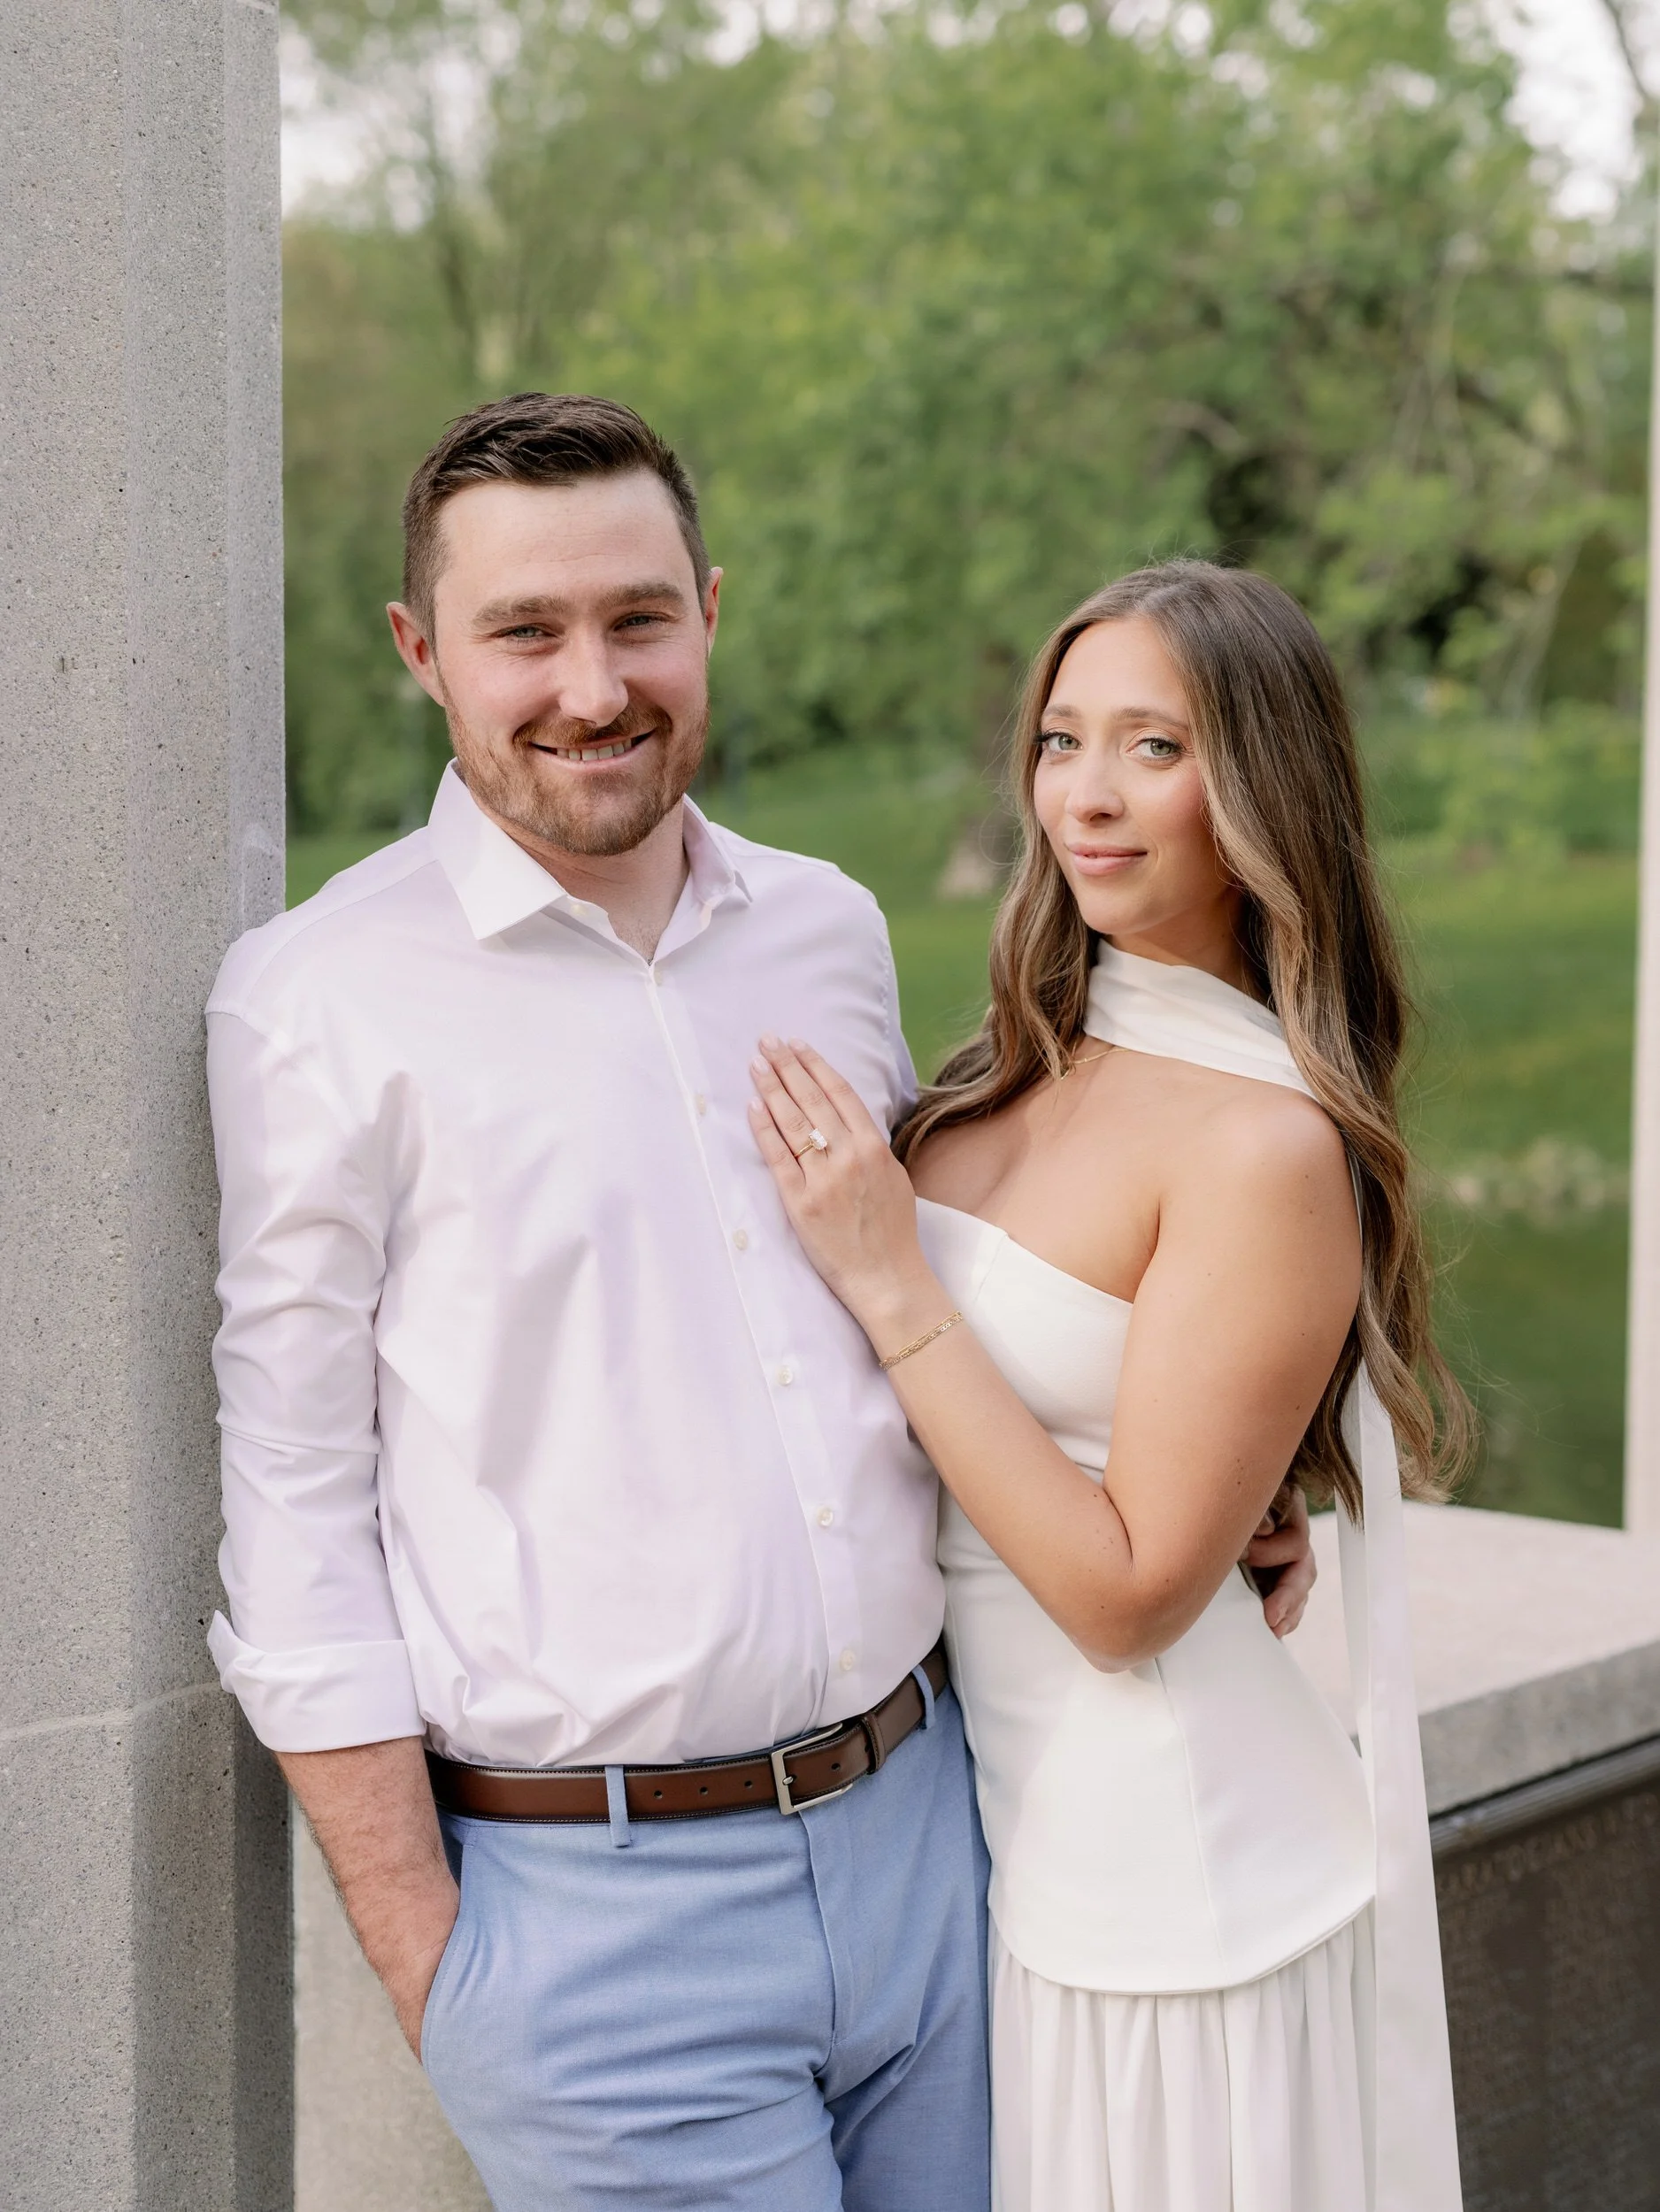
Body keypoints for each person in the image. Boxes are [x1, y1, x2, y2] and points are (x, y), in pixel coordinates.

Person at [204, 394, 1315, 2210]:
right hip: (598, 1929)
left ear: (706, 610)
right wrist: (441, 1965)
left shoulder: (826, 929)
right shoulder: (320, 1000)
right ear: (421, 651)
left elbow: (916, 1313)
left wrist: (1199, 1474)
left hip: (939, 1854)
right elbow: (294, 1505)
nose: (590, 684)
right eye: (523, 632)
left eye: (636, 617)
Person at [748, 559, 1469, 2212]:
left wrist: (891, 1278)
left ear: (1265, 786)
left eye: (1157, 746)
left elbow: (1135, 1595)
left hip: (1174, 1911)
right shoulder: (1003, 1076)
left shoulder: (1265, 1142)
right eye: (1065, 739)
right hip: (980, 1867)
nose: (1088, 792)